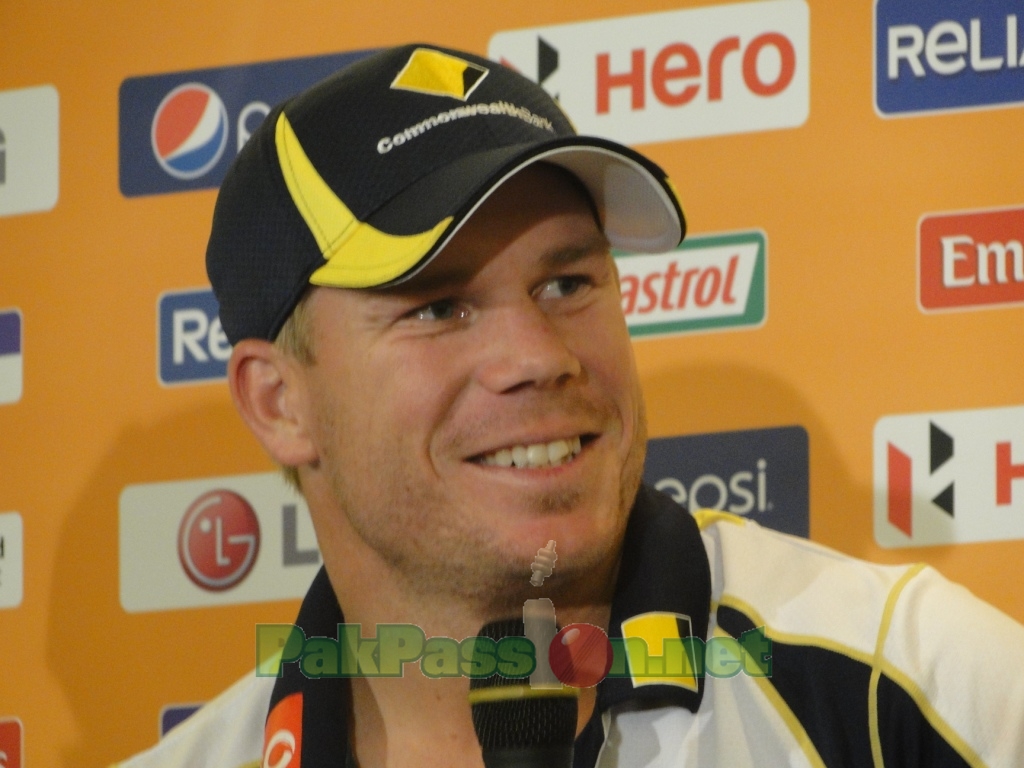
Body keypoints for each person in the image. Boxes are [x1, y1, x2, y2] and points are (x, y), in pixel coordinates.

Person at [115, 43, 1024, 768]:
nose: (539, 357)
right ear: (279, 402)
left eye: (568, 283)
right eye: (438, 306)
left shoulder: (915, 689)